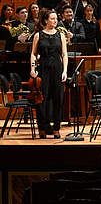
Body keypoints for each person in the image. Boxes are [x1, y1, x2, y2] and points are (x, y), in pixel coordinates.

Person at [30, 9, 68, 138]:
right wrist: (33, 68)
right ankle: (43, 127)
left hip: (57, 69)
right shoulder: (38, 35)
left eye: (56, 19)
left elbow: (64, 54)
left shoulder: (60, 35)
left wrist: (65, 71)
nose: (55, 21)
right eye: (52, 19)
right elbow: (33, 54)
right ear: (46, 20)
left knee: (58, 99)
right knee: (42, 99)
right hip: (43, 69)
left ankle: (56, 127)